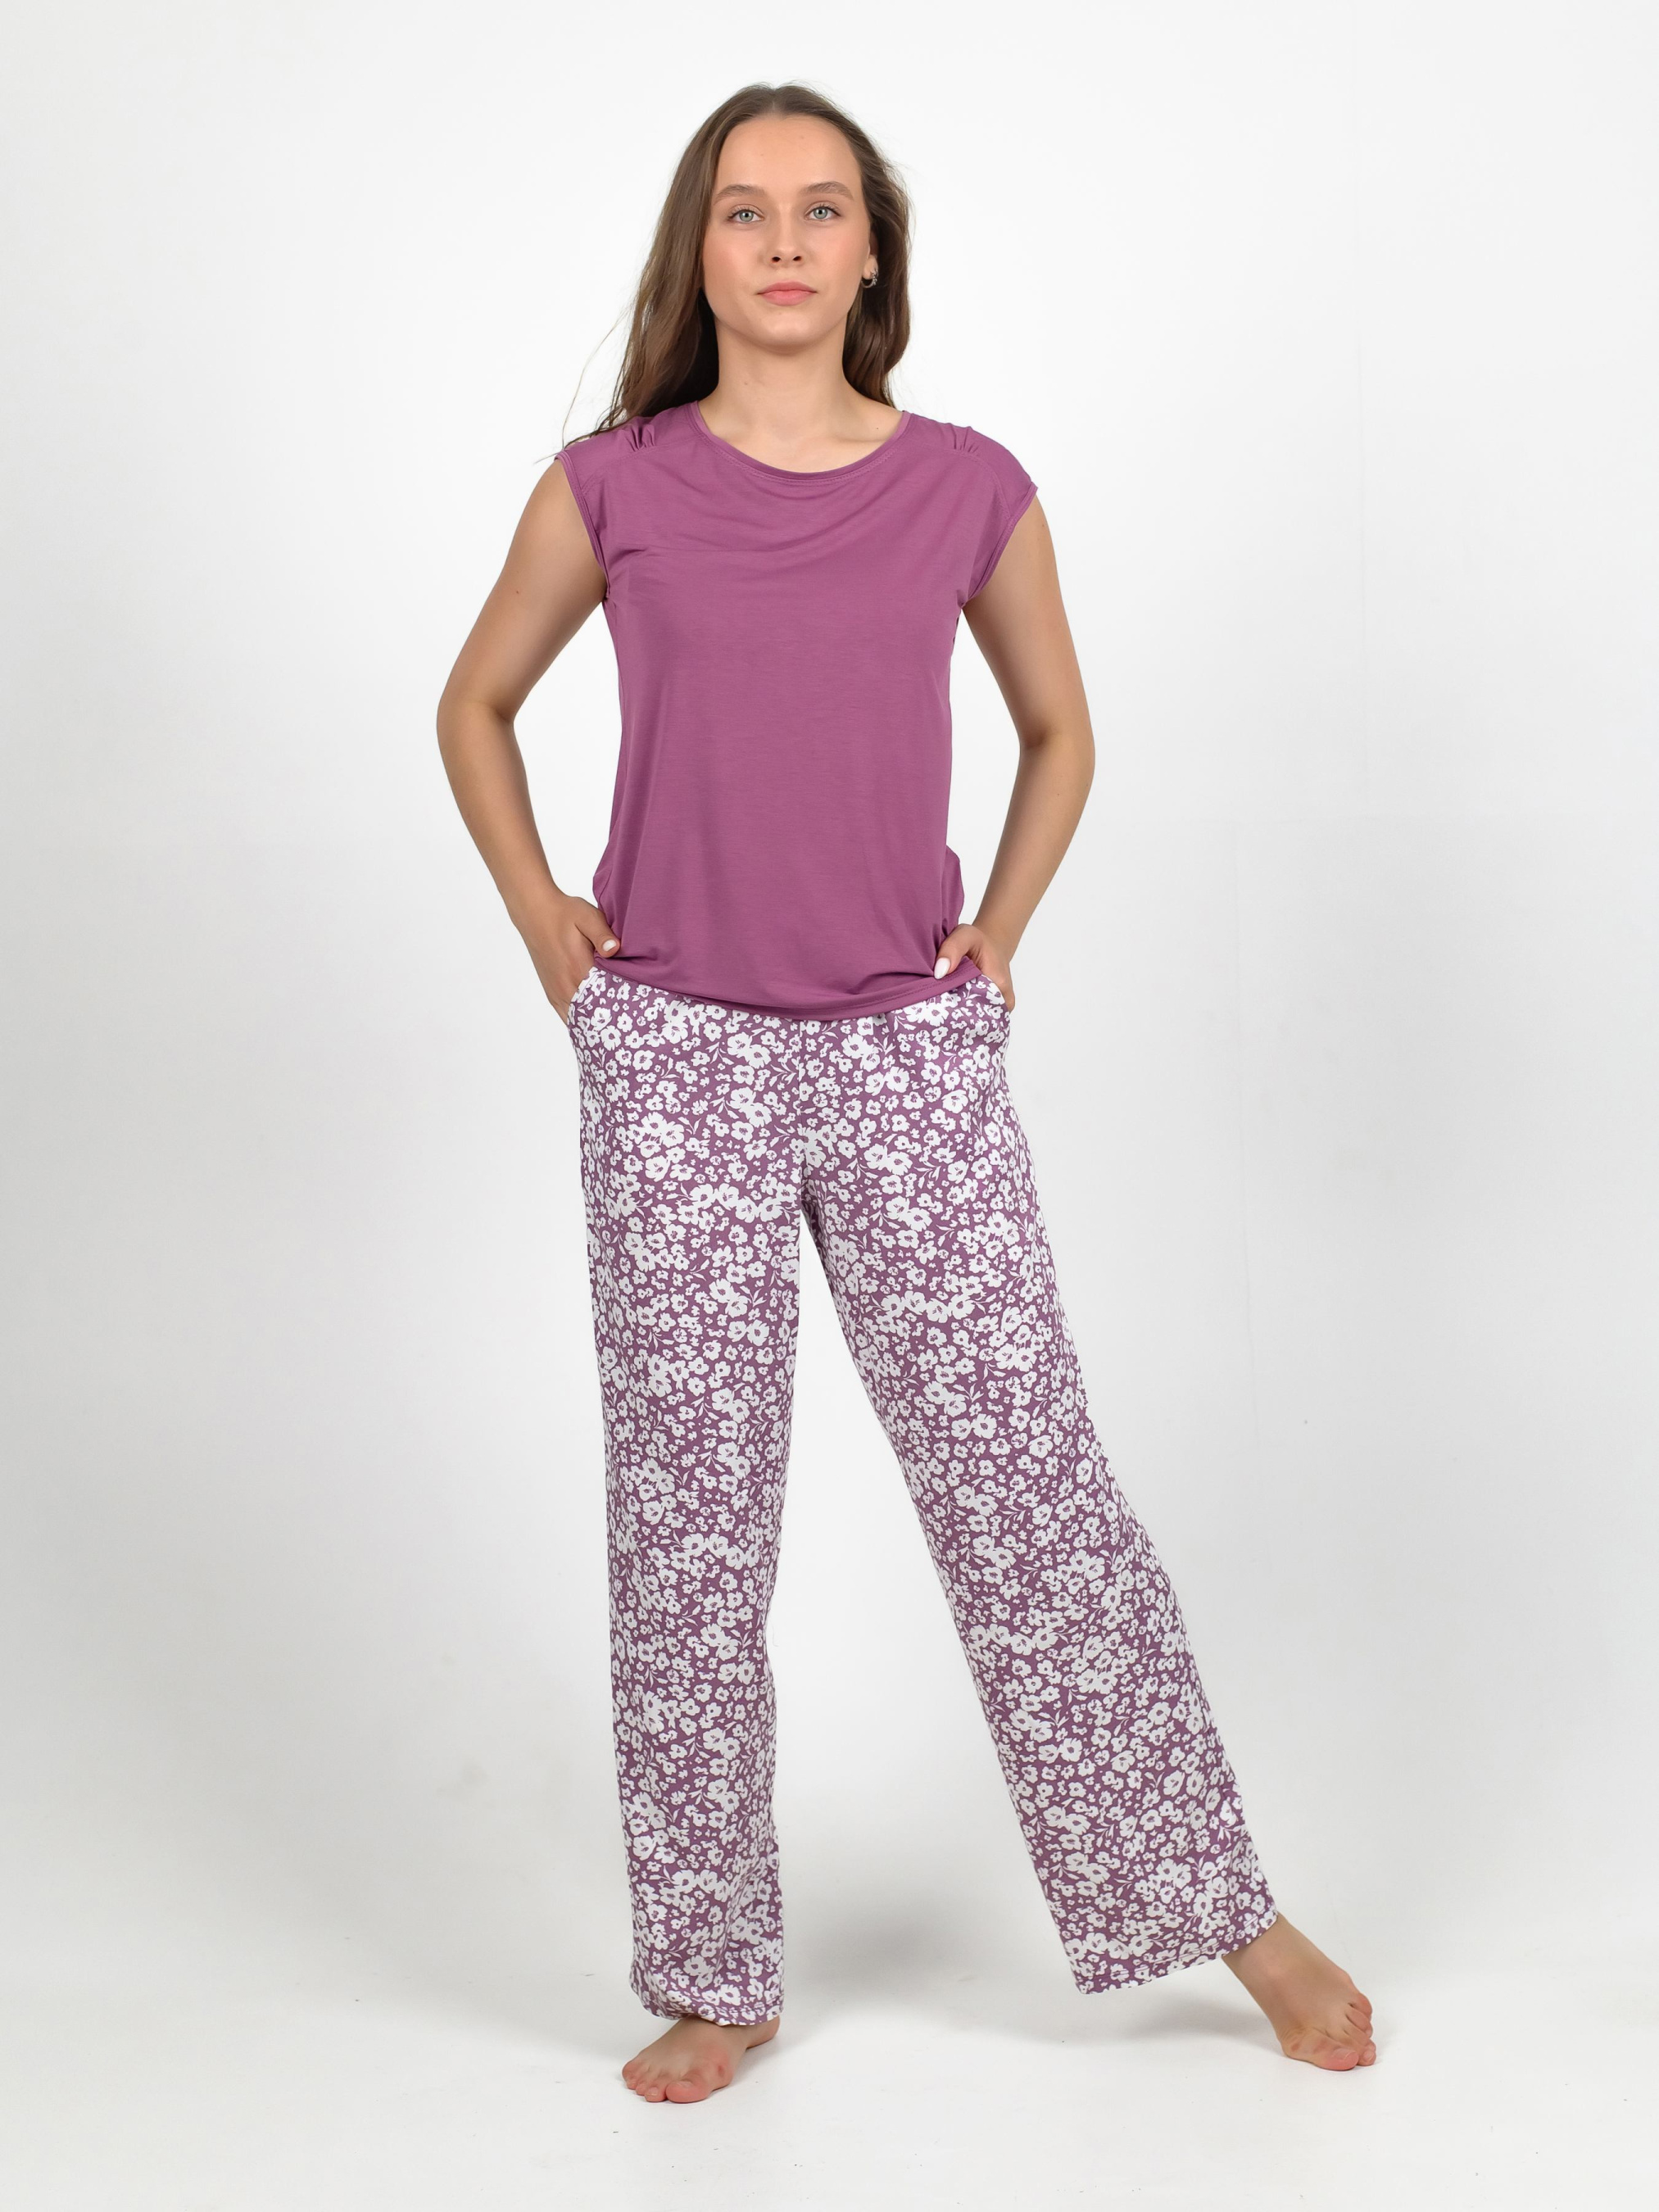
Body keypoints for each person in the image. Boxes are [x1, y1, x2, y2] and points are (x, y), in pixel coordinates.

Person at [435, 81, 1376, 2105]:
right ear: (698, 251)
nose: (782, 243)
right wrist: (544, 925)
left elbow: (1058, 729)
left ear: (872, 253)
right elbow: (474, 701)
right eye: (744, 211)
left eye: (820, 210)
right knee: (687, 1526)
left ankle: (1224, 1909)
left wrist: (996, 936)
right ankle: (713, 1968)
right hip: (673, 1055)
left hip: (901, 1052)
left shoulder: (966, 487)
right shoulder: (611, 487)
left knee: (1029, 1488)